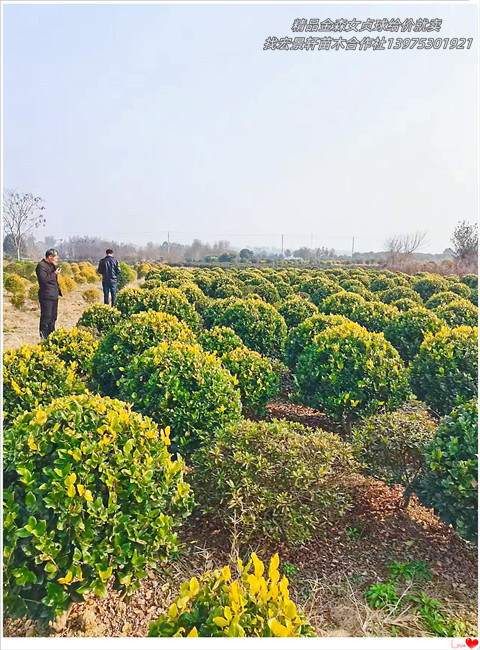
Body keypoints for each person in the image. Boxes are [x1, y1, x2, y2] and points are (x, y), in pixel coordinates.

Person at [35, 248, 62, 340]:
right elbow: (43, 280)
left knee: (53, 317)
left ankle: (51, 336)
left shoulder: (52, 265)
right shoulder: (41, 266)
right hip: (46, 296)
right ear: (50, 257)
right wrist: (55, 273)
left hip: (54, 295)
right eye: (55, 258)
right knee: (46, 317)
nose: (56, 260)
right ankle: (44, 337)